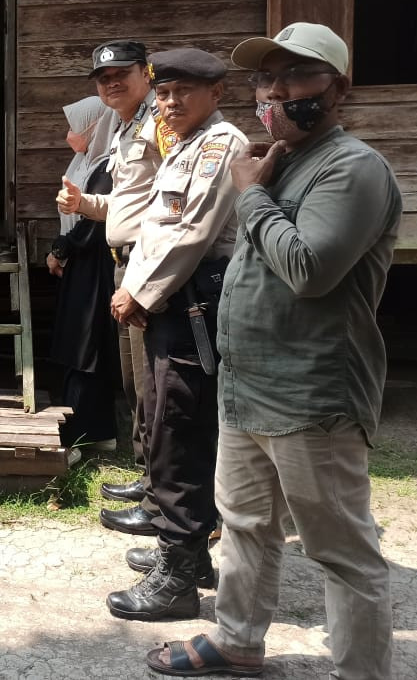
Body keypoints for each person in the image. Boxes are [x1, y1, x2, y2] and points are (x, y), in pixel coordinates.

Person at [146, 24, 400, 678]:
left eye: (295, 77)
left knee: (342, 550)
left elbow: (309, 269)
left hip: (313, 395)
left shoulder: (353, 168)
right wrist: (260, 182)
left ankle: (362, 671)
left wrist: (250, 193)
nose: (276, 91)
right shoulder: (277, 160)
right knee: (245, 525)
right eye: (265, 78)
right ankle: (237, 640)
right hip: (247, 387)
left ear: (336, 89)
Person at [105, 48, 248, 622]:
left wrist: (140, 292)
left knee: (180, 428)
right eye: (163, 93)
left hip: (197, 300)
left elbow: (190, 232)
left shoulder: (220, 144)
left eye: (183, 92)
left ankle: (179, 575)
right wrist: (142, 289)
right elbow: (154, 226)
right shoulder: (183, 144)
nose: (169, 103)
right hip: (174, 298)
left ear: (216, 94)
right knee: (168, 420)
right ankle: (189, 554)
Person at [56, 40, 171, 535]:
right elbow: (123, 204)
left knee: (156, 385)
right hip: (122, 262)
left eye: (121, 74)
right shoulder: (124, 130)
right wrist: (86, 206)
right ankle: (150, 482)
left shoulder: (160, 126)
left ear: (145, 74)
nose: (110, 84)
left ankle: (165, 499)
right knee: (136, 383)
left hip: (149, 266)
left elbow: (173, 208)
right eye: (103, 79)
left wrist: (146, 278)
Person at [47, 96, 121, 456]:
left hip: (95, 263)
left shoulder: (108, 166)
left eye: (76, 126)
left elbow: (94, 223)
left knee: (85, 346)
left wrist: (61, 249)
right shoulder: (85, 159)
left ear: (96, 125)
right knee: (80, 343)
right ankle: (100, 430)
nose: (69, 134)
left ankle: (81, 434)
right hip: (80, 262)